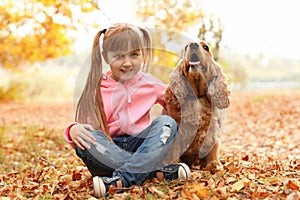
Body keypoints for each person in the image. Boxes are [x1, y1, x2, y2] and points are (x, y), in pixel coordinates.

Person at [63, 23, 191, 198]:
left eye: (134, 55)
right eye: (118, 56)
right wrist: (73, 129)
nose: (127, 63)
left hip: (141, 147)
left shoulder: (150, 84)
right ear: (106, 57)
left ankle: (120, 180)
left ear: (143, 54)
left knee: (167, 123)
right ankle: (154, 172)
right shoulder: (97, 87)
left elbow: (176, 106)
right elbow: (87, 129)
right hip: (109, 150)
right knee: (86, 140)